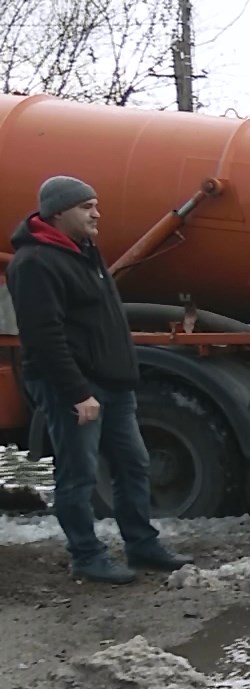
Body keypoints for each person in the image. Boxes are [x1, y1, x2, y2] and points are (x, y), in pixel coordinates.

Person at [7, 175, 191, 584]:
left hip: (114, 384)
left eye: (96, 205)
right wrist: (78, 393)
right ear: (57, 212)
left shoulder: (85, 252)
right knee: (79, 475)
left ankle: (142, 544)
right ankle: (87, 557)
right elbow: (44, 337)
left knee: (134, 464)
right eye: (86, 206)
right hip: (74, 390)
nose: (97, 214)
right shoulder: (35, 263)